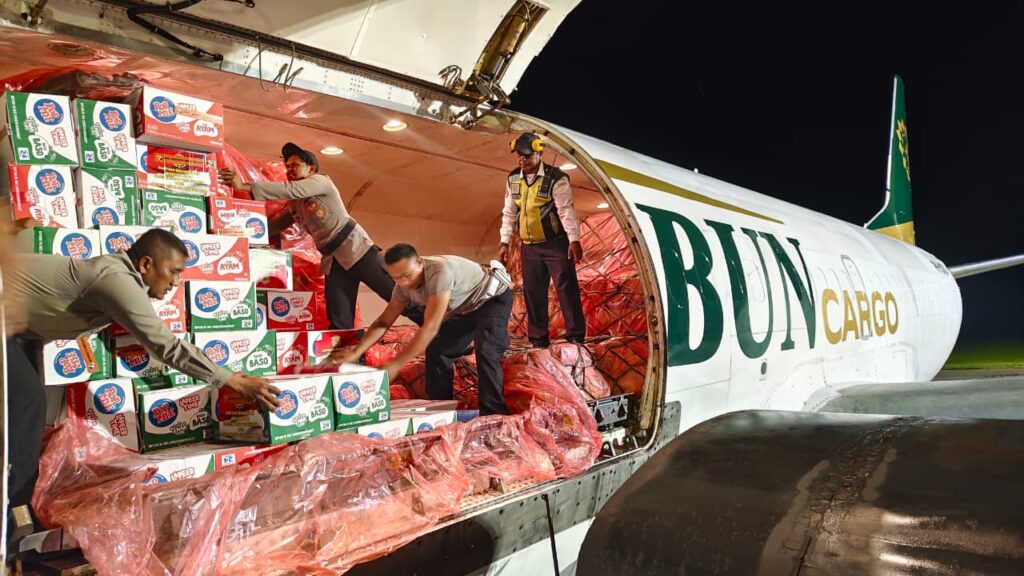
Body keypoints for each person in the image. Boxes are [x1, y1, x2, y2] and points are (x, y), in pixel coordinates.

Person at [4, 229, 279, 518]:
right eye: (173, 271)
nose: (176, 282)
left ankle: (17, 499)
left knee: (24, 402)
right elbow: (166, 346)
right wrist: (231, 381)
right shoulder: (117, 280)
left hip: (17, 328)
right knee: (28, 401)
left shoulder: (118, 276)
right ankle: (15, 508)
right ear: (146, 264)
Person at [218, 142, 420, 329]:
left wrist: (243, 186)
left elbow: (292, 189)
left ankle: (435, 328)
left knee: (399, 298)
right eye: (287, 167)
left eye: (295, 165)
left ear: (311, 168)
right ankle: (349, 355)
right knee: (339, 318)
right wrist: (234, 231)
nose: (289, 170)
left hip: (357, 250)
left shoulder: (321, 181)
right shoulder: (294, 203)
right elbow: (278, 224)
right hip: (333, 261)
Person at [332, 243, 513, 416]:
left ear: (420, 262)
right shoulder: (402, 287)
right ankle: (441, 409)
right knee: (438, 349)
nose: (404, 283)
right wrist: (356, 352)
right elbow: (383, 322)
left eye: (407, 275)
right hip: (467, 308)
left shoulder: (440, 272)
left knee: (487, 349)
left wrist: (396, 363)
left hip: (493, 299)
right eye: (396, 278)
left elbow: (430, 327)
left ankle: (494, 414)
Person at [498, 133, 586, 348]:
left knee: (566, 288)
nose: (522, 159)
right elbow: (509, 212)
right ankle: (538, 339)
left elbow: (565, 210)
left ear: (539, 153)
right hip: (529, 247)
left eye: (527, 155)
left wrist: (574, 240)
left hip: (556, 244)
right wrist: (504, 242)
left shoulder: (556, 178)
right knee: (533, 292)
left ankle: (575, 336)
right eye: (519, 155)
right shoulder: (513, 179)